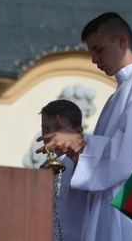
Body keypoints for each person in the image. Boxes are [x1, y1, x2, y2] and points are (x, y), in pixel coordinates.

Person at [38, 12, 132, 241]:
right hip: (105, 201)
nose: (94, 59)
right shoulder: (118, 94)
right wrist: (75, 151)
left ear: (121, 41)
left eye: (99, 49)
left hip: (124, 204)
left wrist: (80, 144)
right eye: (91, 52)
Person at [39, 99, 87, 241]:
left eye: (58, 128)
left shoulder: (80, 163)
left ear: (77, 132)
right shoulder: (44, 169)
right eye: (45, 128)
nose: (51, 135)